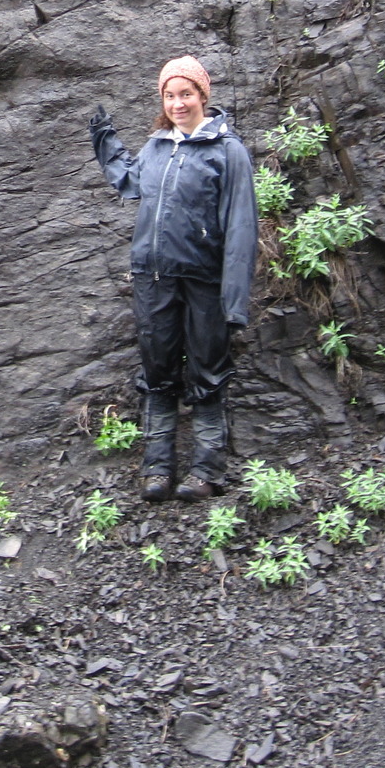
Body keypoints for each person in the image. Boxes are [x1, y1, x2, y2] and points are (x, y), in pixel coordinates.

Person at [88, 56, 258, 501]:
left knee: (207, 369)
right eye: (170, 95)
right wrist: (104, 140)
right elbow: (130, 182)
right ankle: (157, 469)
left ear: (203, 96)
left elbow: (242, 226)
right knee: (158, 369)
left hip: (204, 280)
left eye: (186, 93)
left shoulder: (228, 151)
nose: (178, 103)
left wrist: (234, 300)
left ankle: (207, 471)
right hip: (153, 277)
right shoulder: (157, 147)